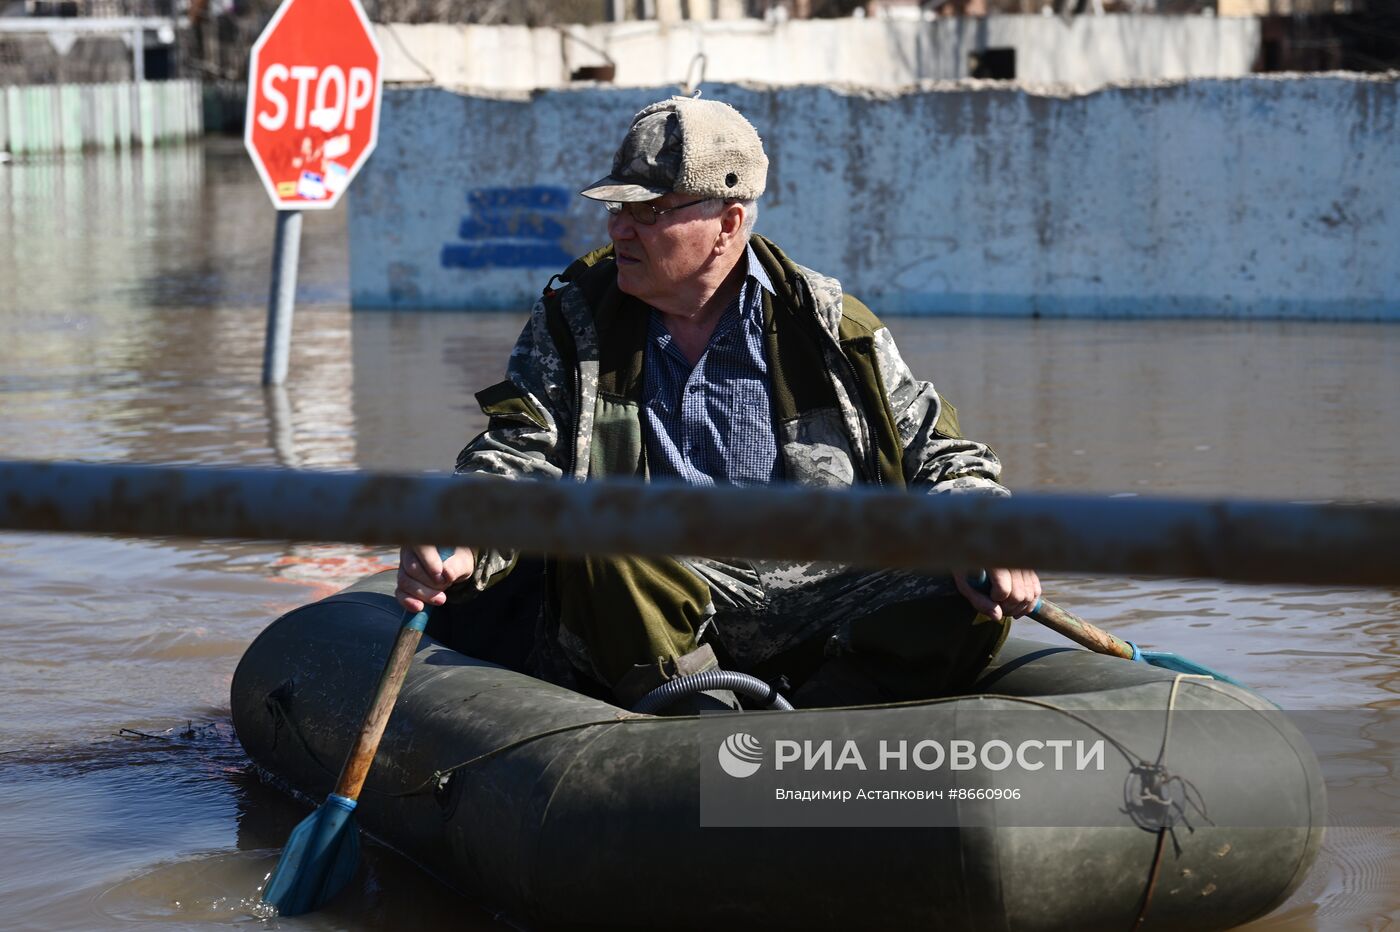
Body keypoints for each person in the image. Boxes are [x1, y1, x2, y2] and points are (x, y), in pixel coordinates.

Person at [395, 95, 1040, 709]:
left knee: (961, 584)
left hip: (817, 595)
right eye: (616, 207)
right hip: (661, 591)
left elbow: (942, 452)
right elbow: (519, 451)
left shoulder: (832, 329)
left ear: (727, 223)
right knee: (600, 538)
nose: (619, 227)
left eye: (650, 212)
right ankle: (706, 722)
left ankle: (830, 713)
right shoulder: (576, 321)